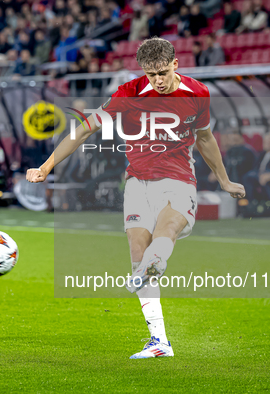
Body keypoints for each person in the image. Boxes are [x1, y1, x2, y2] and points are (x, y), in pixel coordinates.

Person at [26, 37, 245, 359]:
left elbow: (205, 138)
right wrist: (46, 166)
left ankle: (155, 263)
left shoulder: (197, 93)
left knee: (166, 229)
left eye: (163, 73)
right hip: (138, 184)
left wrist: (224, 180)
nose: (158, 81)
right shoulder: (128, 94)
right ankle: (159, 341)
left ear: (175, 65)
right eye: (151, 74)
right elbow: (84, 129)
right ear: (143, 71)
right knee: (137, 251)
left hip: (179, 180)